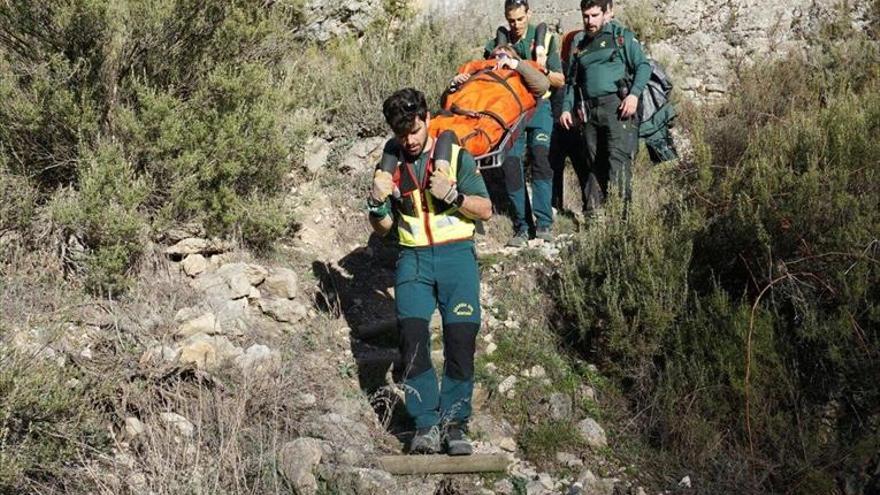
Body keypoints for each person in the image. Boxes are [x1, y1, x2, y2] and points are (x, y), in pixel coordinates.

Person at [367, 88, 492, 455]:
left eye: (416, 130)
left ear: (427, 121)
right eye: (401, 133)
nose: (409, 140)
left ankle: (454, 424)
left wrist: (453, 195)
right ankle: (425, 424)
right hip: (413, 259)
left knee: (460, 342)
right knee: (412, 338)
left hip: (457, 259)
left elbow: (485, 209)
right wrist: (376, 205)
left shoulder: (453, 156)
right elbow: (384, 228)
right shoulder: (388, 165)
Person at [484, 0, 565, 247]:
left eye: (520, 19)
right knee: (510, 165)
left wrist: (539, 71)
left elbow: (560, 80)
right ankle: (522, 226)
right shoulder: (495, 45)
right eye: (511, 20)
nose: (516, 25)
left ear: (528, 13)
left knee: (541, 159)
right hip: (511, 112)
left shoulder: (544, 39)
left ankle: (544, 224)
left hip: (539, 108)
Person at [560, 0, 651, 207]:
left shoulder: (620, 36)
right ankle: (596, 217)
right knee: (593, 163)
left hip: (617, 107)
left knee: (618, 162)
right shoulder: (580, 45)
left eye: (594, 15)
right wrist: (566, 108)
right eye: (586, 16)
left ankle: (623, 220)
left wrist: (634, 95)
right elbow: (572, 82)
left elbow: (643, 66)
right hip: (589, 111)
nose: (589, 21)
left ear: (605, 14)